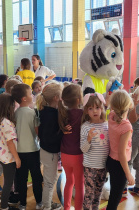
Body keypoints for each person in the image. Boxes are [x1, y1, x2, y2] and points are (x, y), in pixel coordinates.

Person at [11, 84, 43, 210]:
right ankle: (39, 202)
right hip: (33, 150)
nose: (33, 95)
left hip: (19, 152)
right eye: (30, 93)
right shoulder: (32, 113)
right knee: (36, 178)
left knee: (21, 179)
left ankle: (22, 204)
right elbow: (37, 132)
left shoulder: (14, 113)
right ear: (24, 98)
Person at [36, 82, 63, 210]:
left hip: (45, 150)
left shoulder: (45, 111)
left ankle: (47, 203)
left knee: (49, 180)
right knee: (49, 182)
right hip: (49, 152)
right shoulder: (51, 115)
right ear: (56, 98)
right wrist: (63, 132)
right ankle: (46, 206)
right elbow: (50, 137)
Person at [106, 90, 135, 210]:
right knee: (115, 198)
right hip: (120, 165)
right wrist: (128, 174)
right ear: (128, 105)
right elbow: (122, 153)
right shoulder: (126, 127)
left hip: (111, 161)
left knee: (114, 193)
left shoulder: (111, 115)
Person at [80, 93, 109, 210]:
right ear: (86, 111)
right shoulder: (86, 126)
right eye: (91, 108)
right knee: (89, 195)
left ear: (102, 108)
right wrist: (88, 139)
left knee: (98, 194)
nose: (95, 111)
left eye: (97, 107)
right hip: (90, 167)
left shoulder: (107, 125)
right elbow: (83, 149)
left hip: (103, 167)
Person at [57, 84, 84, 210]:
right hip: (77, 155)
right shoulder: (82, 113)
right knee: (79, 185)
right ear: (78, 100)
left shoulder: (62, 112)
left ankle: (66, 208)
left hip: (64, 154)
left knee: (69, 182)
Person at [0, 93, 21, 210]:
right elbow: (10, 143)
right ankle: (4, 207)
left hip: (2, 155)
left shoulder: (1, 119)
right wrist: (17, 158)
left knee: (8, 182)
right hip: (8, 157)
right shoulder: (7, 123)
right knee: (8, 183)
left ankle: (4, 201)